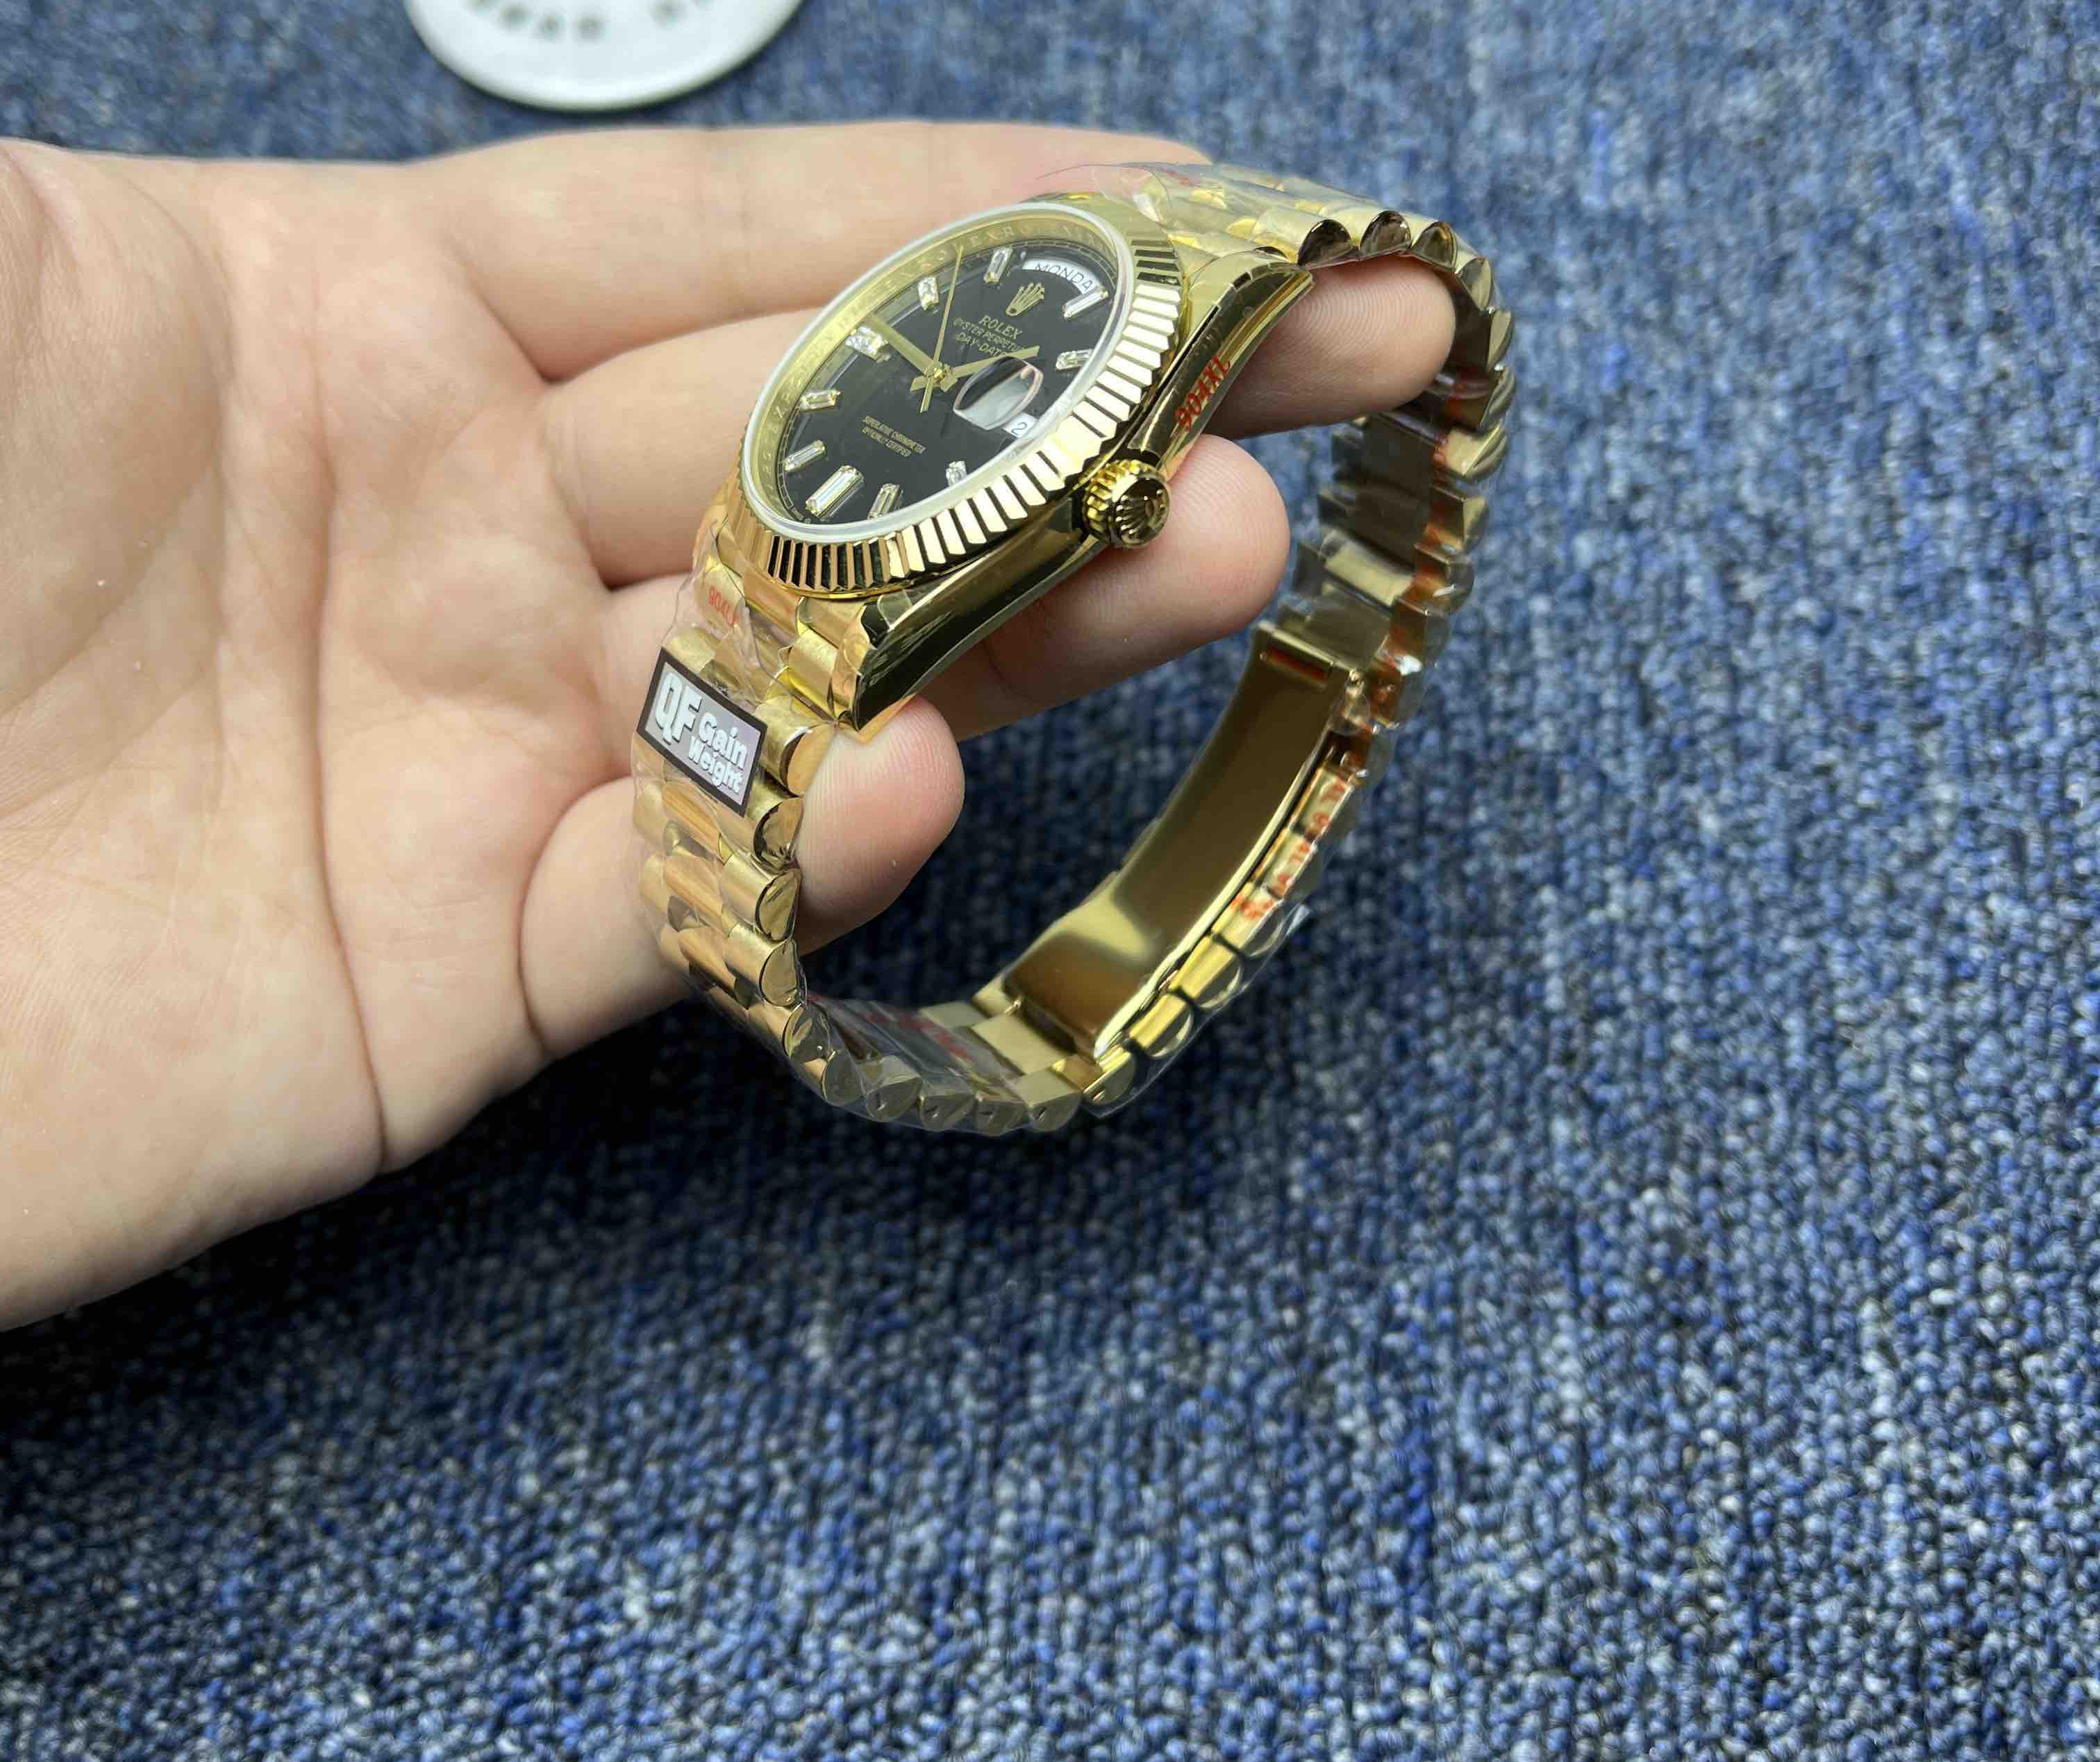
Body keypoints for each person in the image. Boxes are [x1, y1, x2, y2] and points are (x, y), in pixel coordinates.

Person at [0, 122, 1456, 1327]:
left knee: (1173, 542)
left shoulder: (1113, 454)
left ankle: (1050, 1035)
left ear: (1108, 498)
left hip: (864, 510)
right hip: (793, 525)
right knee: (844, 761)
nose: (935, 377)